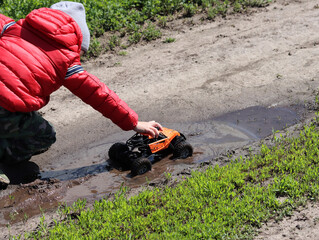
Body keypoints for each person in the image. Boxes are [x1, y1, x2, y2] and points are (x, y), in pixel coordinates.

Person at [0, 1, 162, 188]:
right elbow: (99, 94)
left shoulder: (11, 26)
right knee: (44, 136)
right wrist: (134, 123)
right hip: (5, 109)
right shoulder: (67, 61)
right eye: (81, 53)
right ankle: (6, 160)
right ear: (77, 41)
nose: (79, 58)